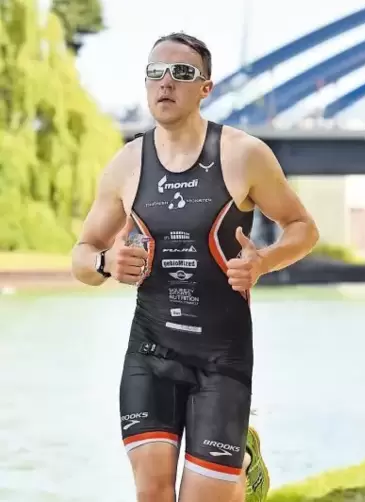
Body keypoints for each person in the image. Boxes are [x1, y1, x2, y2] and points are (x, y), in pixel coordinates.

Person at [70, 32, 319, 502]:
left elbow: (302, 227)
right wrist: (105, 262)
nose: (166, 82)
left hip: (221, 360)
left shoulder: (243, 154)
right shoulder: (126, 164)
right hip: (150, 354)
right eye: (155, 72)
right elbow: (81, 256)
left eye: (182, 73)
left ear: (206, 88)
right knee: (154, 493)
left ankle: (242, 460)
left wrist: (263, 262)